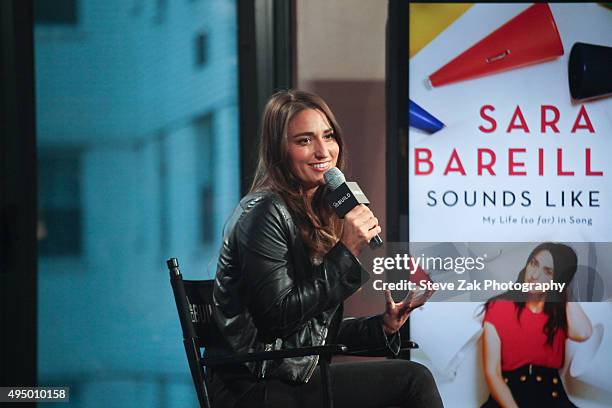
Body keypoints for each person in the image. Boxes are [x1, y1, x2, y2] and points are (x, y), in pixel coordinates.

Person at [210, 90, 443, 408]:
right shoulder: (262, 212)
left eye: (328, 136)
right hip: (254, 386)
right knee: (414, 381)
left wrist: (383, 327)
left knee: (412, 380)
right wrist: (346, 249)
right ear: (280, 150)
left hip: (290, 375)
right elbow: (278, 319)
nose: (323, 152)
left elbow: (309, 331)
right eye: (304, 141)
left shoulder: (313, 214)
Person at [481, 243, 593, 408]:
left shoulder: (558, 313)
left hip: (552, 397)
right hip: (508, 396)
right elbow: (492, 373)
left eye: (547, 271)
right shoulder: (499, 307)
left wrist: (563, 288)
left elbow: (584, 333)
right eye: (533, 264)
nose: (534, 275)